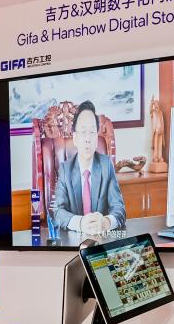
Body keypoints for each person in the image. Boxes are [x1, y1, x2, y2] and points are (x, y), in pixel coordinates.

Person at [53, 100, 126, 235]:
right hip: (74, 241)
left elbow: (119, 209)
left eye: (92, 132)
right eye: (83, 132)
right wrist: (81, 223)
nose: (88, 139)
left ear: (96, 138)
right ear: (75, 138)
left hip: (101, 240)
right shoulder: (65, 170)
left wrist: (105, 222)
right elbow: (58, 212)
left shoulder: (106, 165)